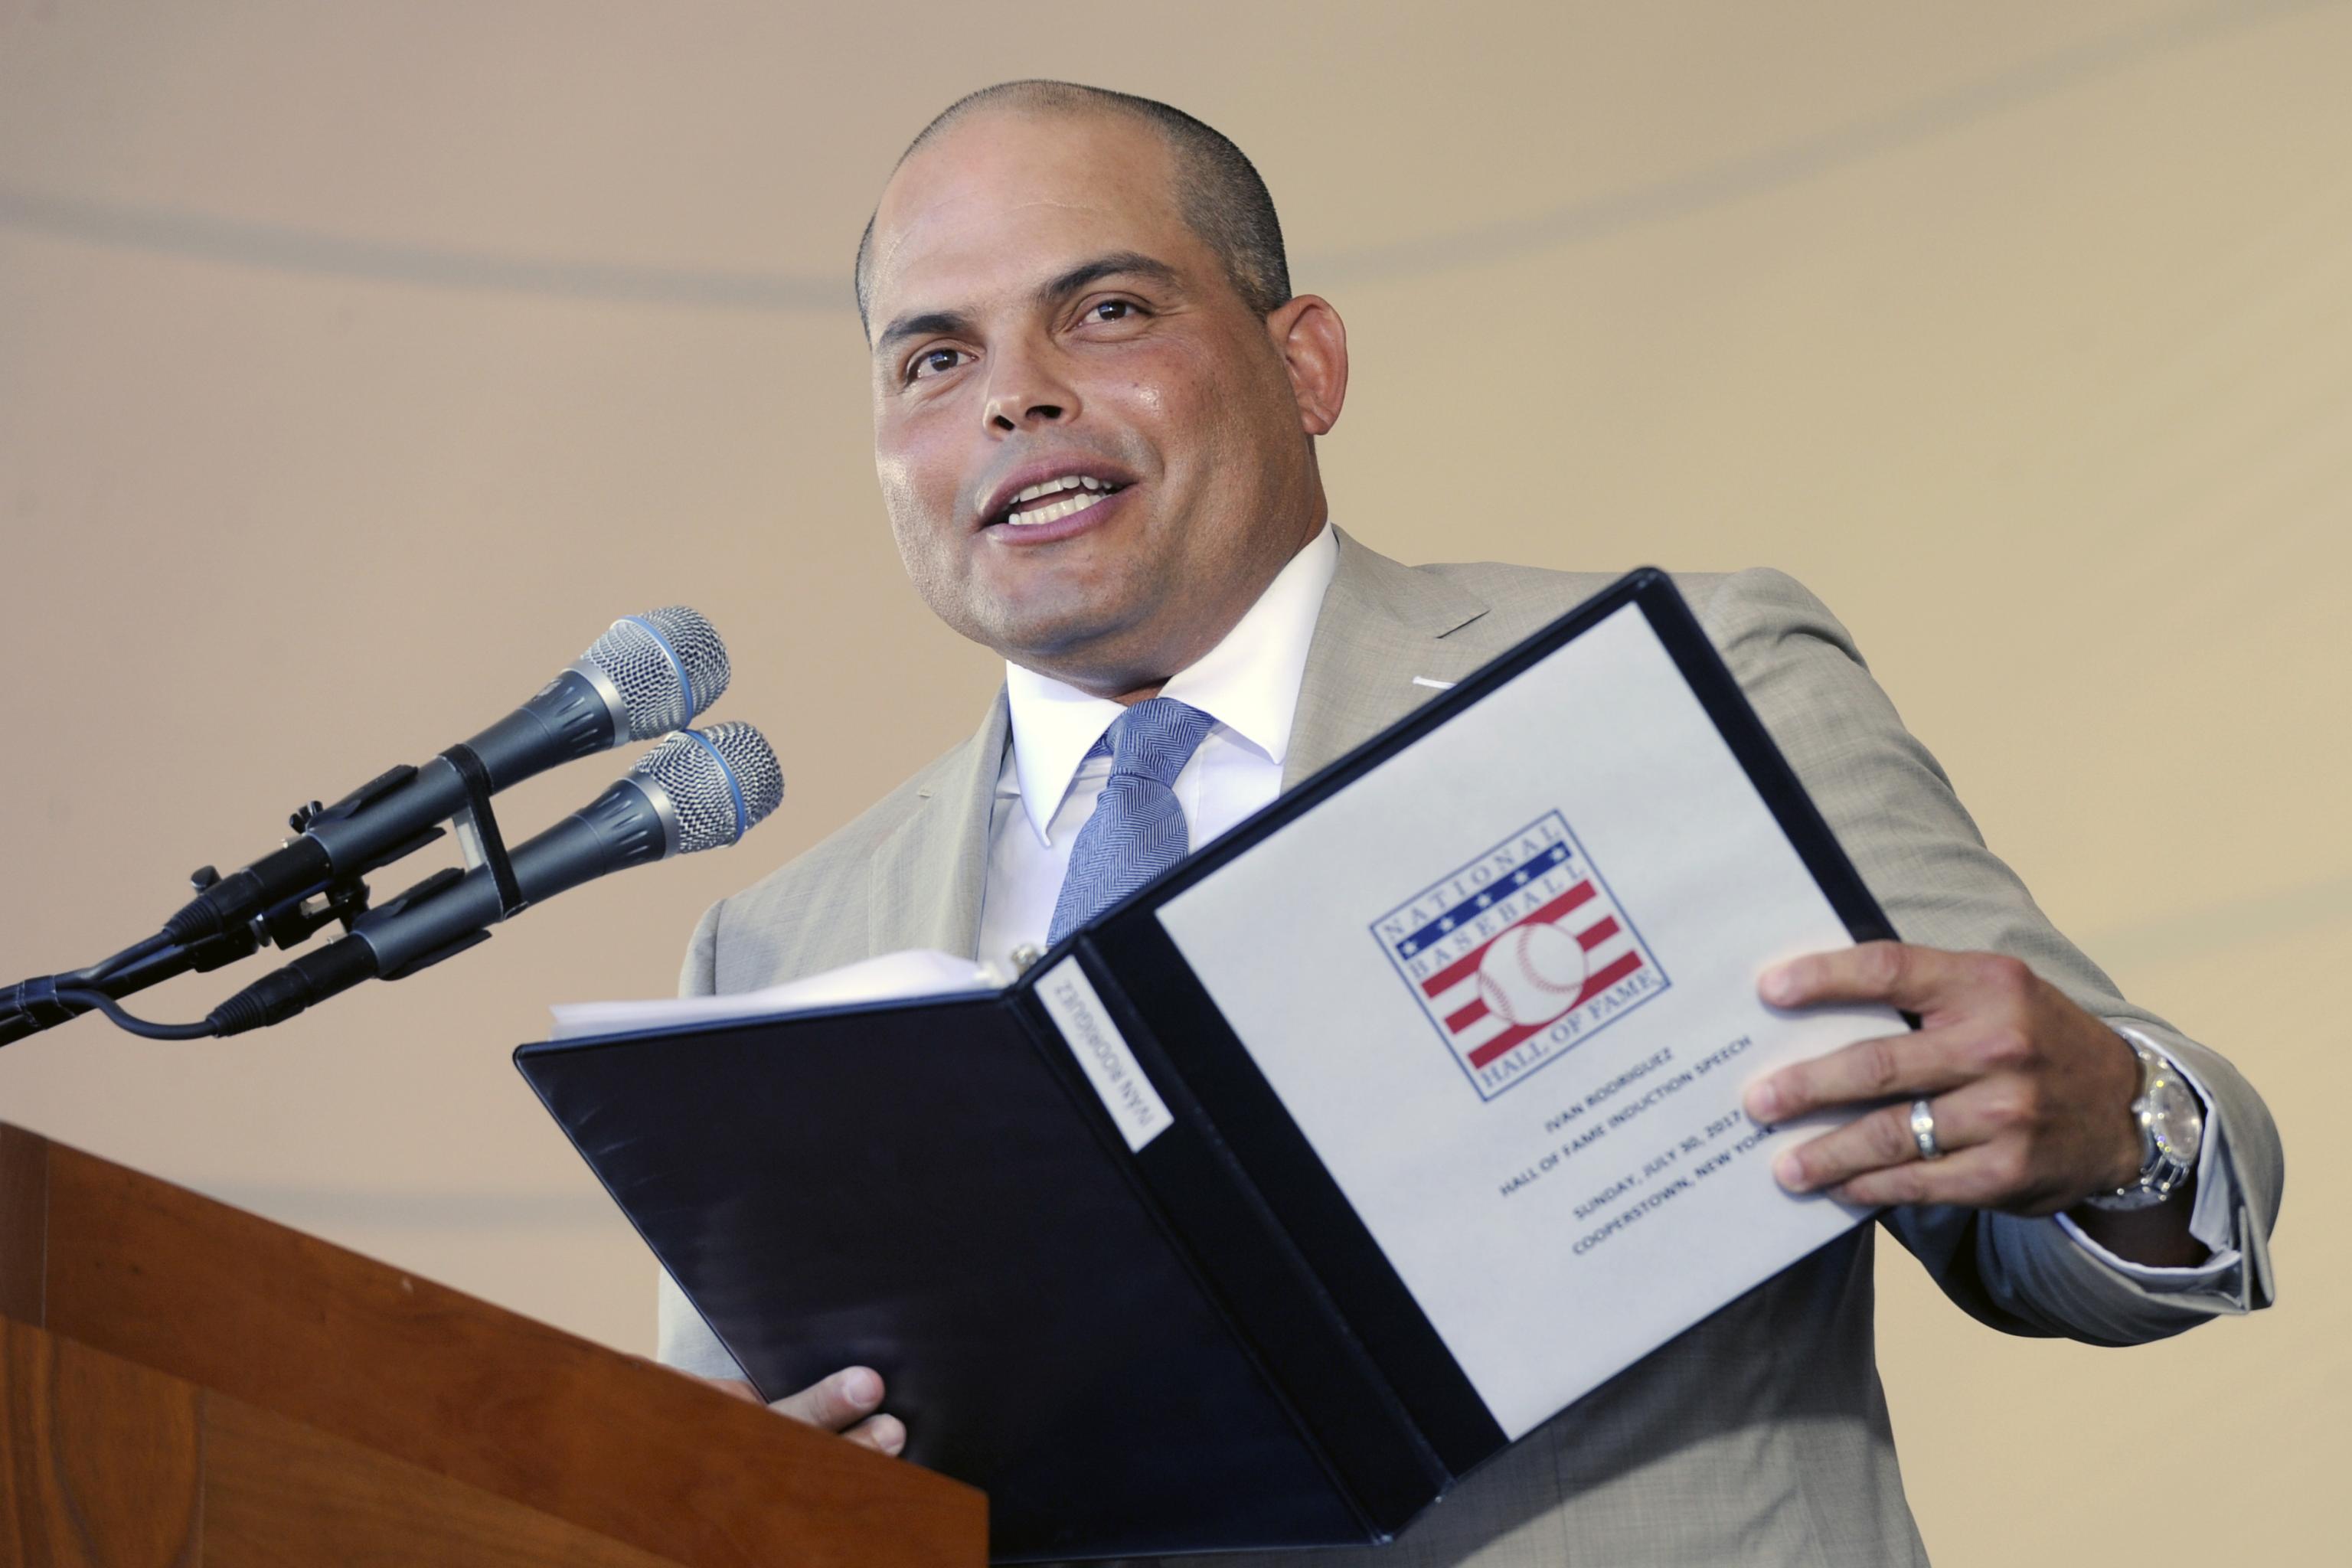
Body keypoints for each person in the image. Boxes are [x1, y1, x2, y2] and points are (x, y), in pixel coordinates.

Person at [657, 80, 2282, 1566]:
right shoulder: (780, 946)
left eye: (1106, 309)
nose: (1015, 397)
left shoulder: (1680, 689)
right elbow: (713, 1490)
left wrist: (2123, 1125)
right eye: (935, 356)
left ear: (1305, 363)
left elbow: (2114, 1173)